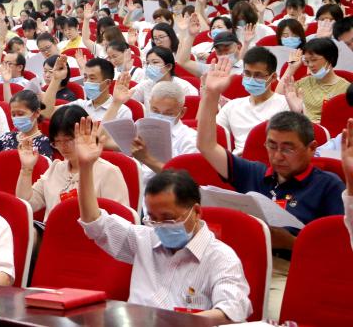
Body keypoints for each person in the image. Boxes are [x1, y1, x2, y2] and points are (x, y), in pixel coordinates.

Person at [77, 116, 252, 321]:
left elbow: (232, 310)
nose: (160, 226)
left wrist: (179, 323)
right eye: (153, 219)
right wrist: (85, 167)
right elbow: (94, 223)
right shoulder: (145, 239)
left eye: (168, 218)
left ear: (196, 211)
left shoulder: (220, 257)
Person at [197, 58, 344, 251]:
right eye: (272, 146)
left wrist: (291, 243)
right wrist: (211, 94)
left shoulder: (328, 185)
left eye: (288, 148)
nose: (278, 156)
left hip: (293, 264)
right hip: (248, 256)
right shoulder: (255, 173)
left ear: (311, 148)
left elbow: (337, 248)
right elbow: (207, 145)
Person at [17, 105, 129, 220]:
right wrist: (26, 169)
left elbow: (120, 222)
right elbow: (27, 204)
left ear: (87, 135)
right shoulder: (56, 168)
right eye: (57, 141)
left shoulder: (108, 172)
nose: (63, 147)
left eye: (68, 140)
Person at [215, 47, 288, 154]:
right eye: (247, 73)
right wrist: (210, 95)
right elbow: (211, 135)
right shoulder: (232, 106)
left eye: (258, 75)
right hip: (238, 160)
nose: (251, 79)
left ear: (273, 77)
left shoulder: (285, 104)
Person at [131, 81, 199, 181]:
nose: (160, 116)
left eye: (168, 113)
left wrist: (146, 159)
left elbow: (185, 181)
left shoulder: (190, 139)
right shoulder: (142, 129)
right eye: (155, 111)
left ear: (182, 112)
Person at [290, 38, 350, 122]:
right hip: (301, 125)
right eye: (307, 61)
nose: (310, 65)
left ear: (330, 59)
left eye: (314, 60)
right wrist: (291, 69)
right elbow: (277, 98)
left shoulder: (345, 88)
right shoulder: (304, 82)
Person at [132, 47, 197, 108]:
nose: (150, 66)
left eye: (155, 62)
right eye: (147, 63)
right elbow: (130, 101)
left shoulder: (185, 88)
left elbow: (191, 111)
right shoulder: (145, 84)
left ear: (169, 66)